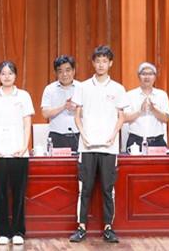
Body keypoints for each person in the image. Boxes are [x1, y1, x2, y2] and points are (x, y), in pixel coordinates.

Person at [71, 46, 126, 244]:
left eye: (105, 61)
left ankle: (108, 228)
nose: (101, 65)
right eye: (98, 61)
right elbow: (77, 115)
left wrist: (113, 136)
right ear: (93, 63)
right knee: (84, 189)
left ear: (110, 63)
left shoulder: (118, 88)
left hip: (109, 147)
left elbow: (121, 116)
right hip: (87, 147)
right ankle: (81, 227)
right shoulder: (83, 87)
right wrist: (83, 135)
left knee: (107, 189)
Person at [0, 61, 34, 246]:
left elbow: (27, 124)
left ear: (15, 75)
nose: (7, 76)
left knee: (19, 193)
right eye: (3, 73)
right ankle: (3, 232)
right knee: (0, 194)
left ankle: (18, 231)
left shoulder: (24, 96)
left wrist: (24, 146)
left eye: (10, 73)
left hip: (18, 152)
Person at [122, 62, 169, 150]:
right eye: (144, 74)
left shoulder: (162, 95)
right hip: (135, 141)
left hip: (157, 141)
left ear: (155, 77)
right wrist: (140, 111)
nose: (147, 77)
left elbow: (166, 118)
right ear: (138, 76)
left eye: (150, 74)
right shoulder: (130, 95)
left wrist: (153, 109)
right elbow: (124, 118)